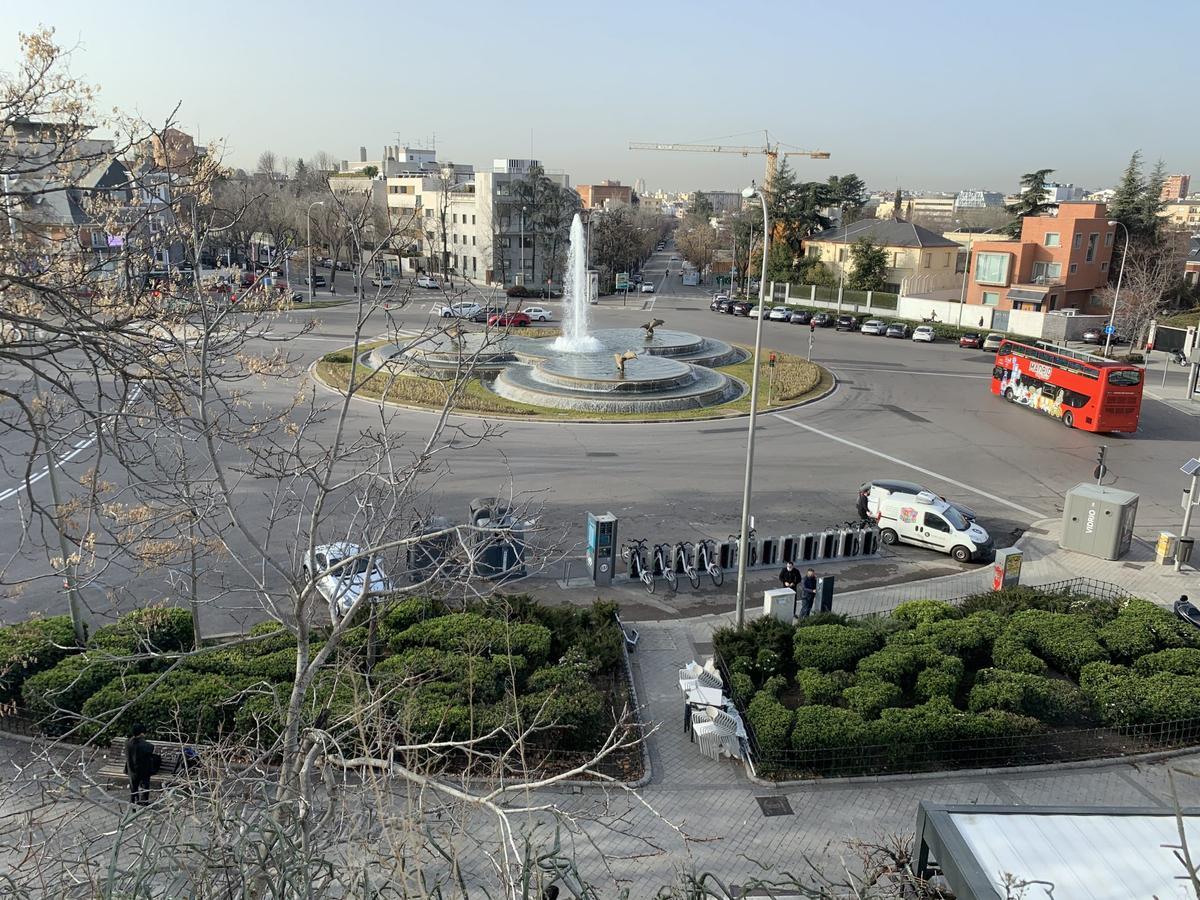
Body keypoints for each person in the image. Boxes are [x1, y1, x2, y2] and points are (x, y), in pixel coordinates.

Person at [125, 724, 156, 805]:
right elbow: (150, 749)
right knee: (145, 786)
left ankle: (133, 801)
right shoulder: (146, 745)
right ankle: (144, 801)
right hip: (143, 770)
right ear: (142, 733)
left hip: (131, 769)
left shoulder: (127, 743)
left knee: (133, 787)